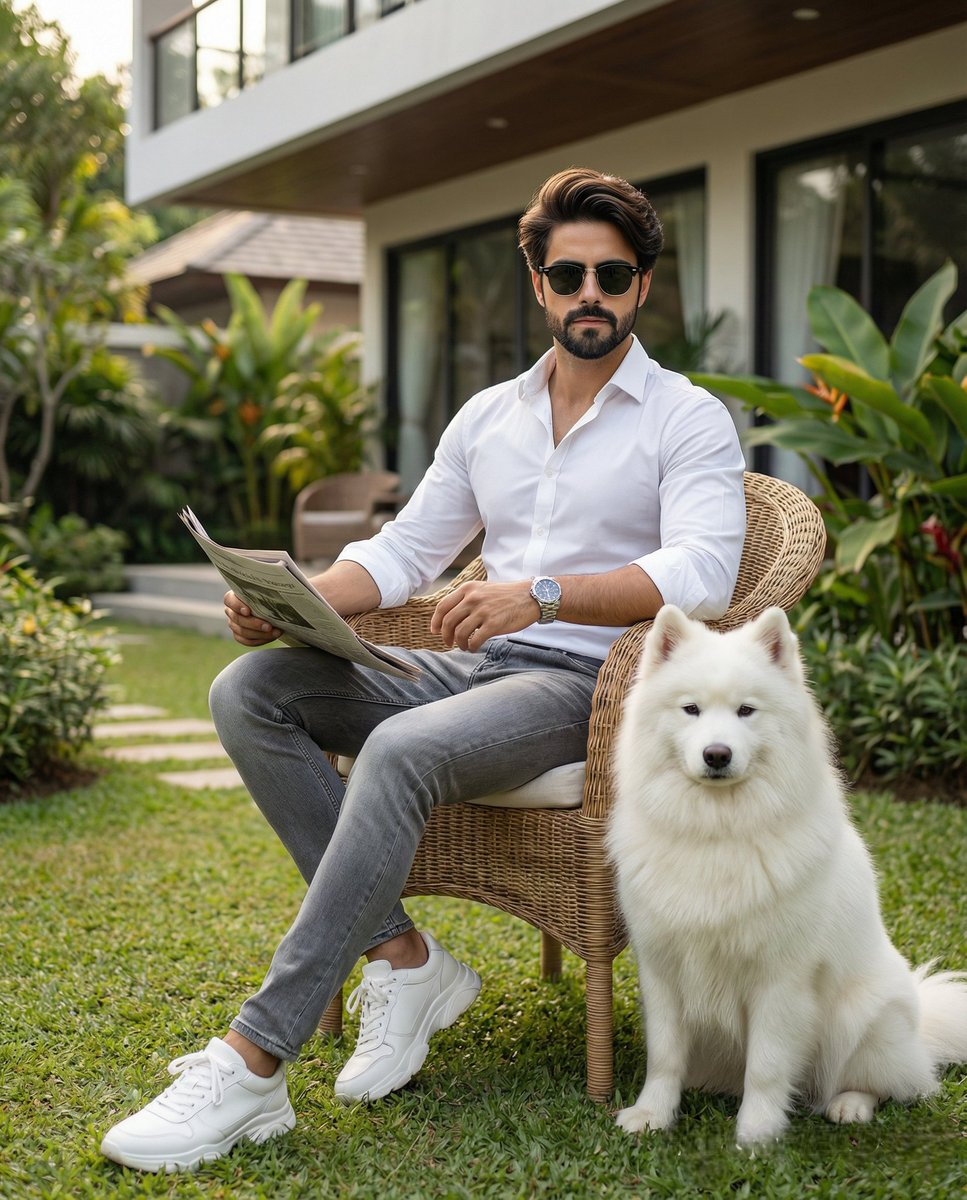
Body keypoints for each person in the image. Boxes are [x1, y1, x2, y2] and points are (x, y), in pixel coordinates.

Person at [100, 167, 747, 1172]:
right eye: (567, 274)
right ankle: (404, 959)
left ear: (640, 288)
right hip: (477, 670)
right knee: (250, 693)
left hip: (588, 687)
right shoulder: (489, 415)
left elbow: (702, 574)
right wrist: (294, 598)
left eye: (611, 277)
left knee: (398, 751)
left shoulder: (684, 416)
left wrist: (538, 595)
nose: (590, 296)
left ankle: (252, 1065)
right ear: (536, 281)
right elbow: (403, 554)